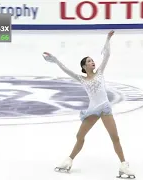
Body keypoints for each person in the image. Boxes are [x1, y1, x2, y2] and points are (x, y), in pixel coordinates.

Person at [42, 30, 135, 179]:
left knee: (115, 137)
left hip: (104, 108)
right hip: (93, 110)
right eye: (89, 61)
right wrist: (55, 60)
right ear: (84, 66)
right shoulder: (81, 79)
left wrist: (107, 39)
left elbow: (107, 55)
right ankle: (69, 160)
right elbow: (66, 70)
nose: (93, 62)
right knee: (79, 136)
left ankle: (123, 165)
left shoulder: (100, 73)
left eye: (93, 60)